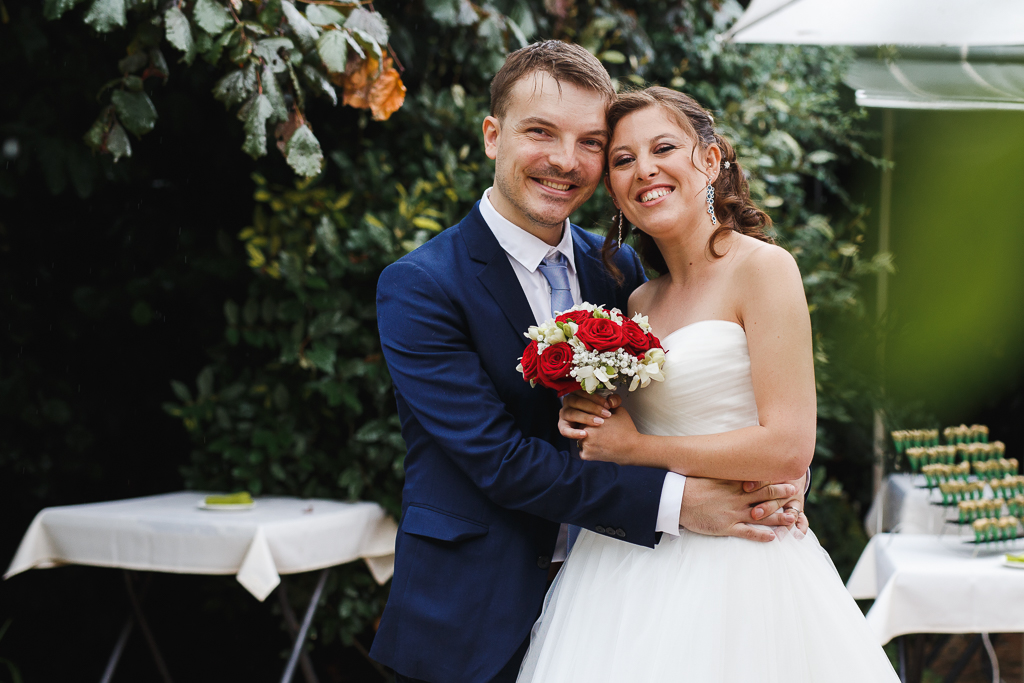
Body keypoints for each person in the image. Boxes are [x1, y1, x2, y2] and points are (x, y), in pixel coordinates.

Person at [371, 42, 807, 683]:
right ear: (493, 135)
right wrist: (680, 503)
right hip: (473, 614)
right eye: (540, 133)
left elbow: (692, 400)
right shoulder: (421, 285)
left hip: (629, 594)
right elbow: (500, 460)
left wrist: (768, 482)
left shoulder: (622, 273)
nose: (564, 161)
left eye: (590, 142)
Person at [517, 86, 899, 682]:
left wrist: (639, 450)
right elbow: (620, 425)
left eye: (664, 147)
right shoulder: (636, 299)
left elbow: (789, 445)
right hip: (625, 566)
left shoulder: (764, 270)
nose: (645, 169)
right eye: (622, 160)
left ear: (711, 161)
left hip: (744, 565)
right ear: (614, 188)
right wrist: (583, 410)